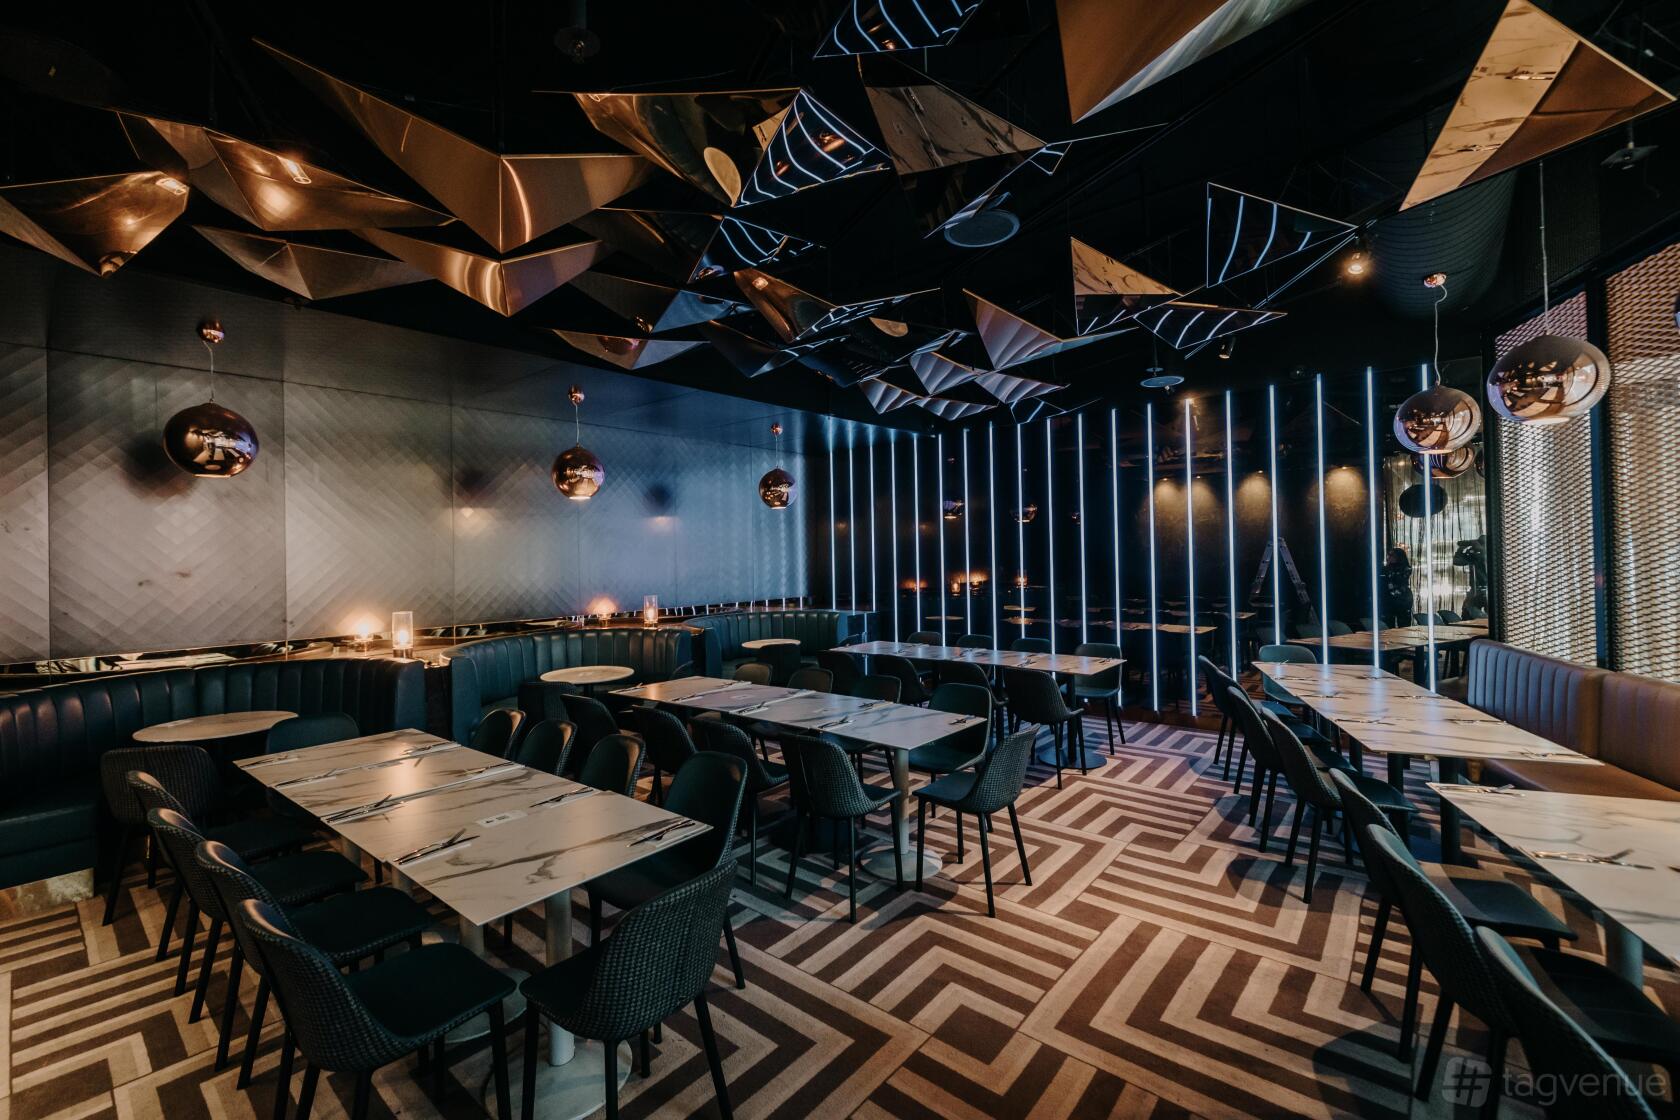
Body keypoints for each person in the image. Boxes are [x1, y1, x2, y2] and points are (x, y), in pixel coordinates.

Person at [1381, 546, 1414, 627]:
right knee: (1388, 624)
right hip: (1389, 600)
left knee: (1404, 625)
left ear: (1398, 557)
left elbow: (1399, 580)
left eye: (1392, 555)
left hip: (1403, 599)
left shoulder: (1406, 569)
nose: (1388, 557)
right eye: (1388, 555)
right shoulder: (1386, 569)